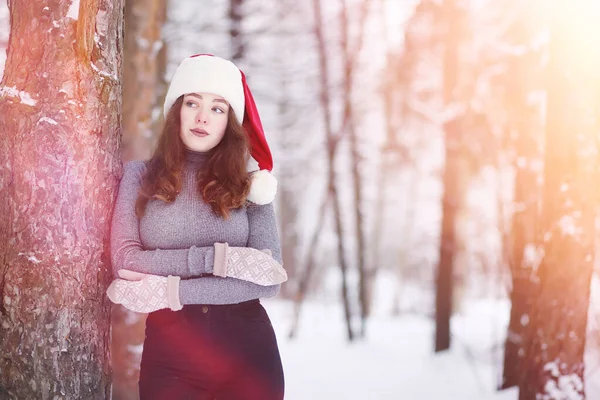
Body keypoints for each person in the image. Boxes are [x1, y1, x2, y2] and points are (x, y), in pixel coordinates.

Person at [106, 54, 286, 400]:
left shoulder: (252, 186)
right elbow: (126, 262)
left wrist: (172, 291)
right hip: (170, 356)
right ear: (177, 109)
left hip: (248, 355)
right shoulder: (138, 177)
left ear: (229, 122)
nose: (203, 116)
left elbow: (268, 277)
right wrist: (218, 261)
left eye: (218, 108)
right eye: (193, 103)